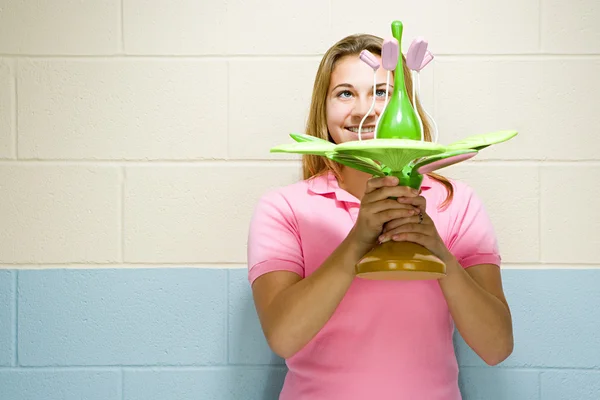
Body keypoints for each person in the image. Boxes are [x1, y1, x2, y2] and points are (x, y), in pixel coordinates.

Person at [246, 33, 514, 400]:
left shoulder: (458, 202)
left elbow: (496, 346)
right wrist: (358, 240)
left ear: (406, 105)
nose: (364, 110)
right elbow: (283, 336)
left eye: (381, 92)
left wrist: (437, 251)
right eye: (345, 93)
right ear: (322, 112)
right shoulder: (285, 208)